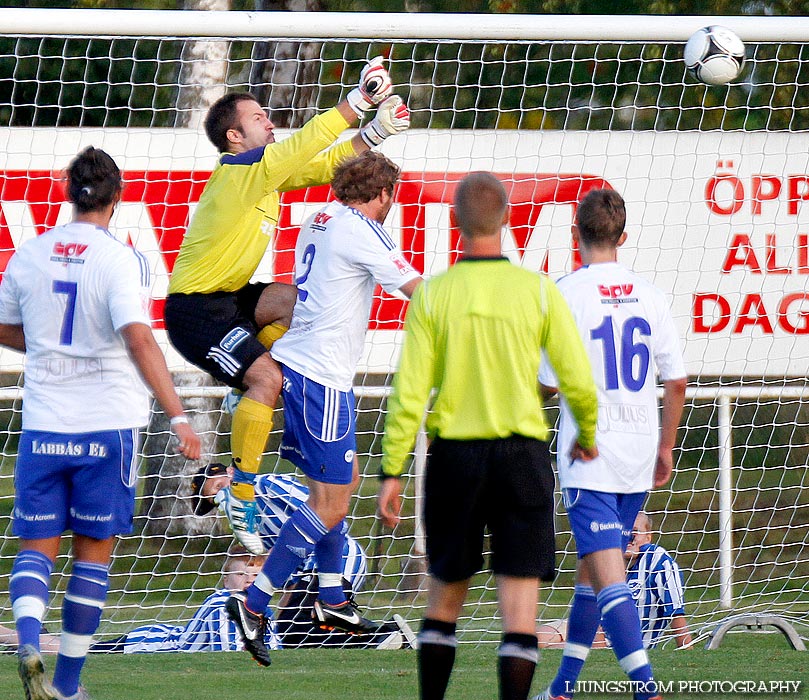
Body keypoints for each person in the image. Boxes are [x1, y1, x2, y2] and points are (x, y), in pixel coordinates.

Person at [163, 57, 410, 557]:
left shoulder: (263, 176)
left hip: (230, 298)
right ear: (234, 137)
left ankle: (243, 399)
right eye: (257, 118)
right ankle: (242, 493)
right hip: (195, 312)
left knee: (300, 303)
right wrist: (356, 104)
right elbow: (305, 147)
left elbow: (320, 167)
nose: (270, 121)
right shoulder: (240, 171)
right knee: (268, 379)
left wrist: (376, 131)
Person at [377, 171, 600, 700]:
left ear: (455, 223)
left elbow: (409, 393)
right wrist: (586, 431)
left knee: (443, 602)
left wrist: (392, 471)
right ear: (505, 218)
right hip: (521, 458)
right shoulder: (538, 290)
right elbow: (577, 378)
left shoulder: (434, 296)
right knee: (520, 616)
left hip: (455, 459)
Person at [0, 146, 201, 700]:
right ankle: (66, 687)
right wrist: (179, 414)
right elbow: (138, 337)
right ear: (117, 197)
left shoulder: (29, 255)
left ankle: (25, 639)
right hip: (107, 426)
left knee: (36, 548)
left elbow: (4, 327)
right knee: (93, 552)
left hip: (43, 424)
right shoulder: (121, 258)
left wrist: (42, 342)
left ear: (70, 193)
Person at [225, 150, 422, 667]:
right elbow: (415, 291)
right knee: (331, 503)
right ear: (383, 195)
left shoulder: (320, 218)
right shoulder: (362, 227)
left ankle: (332, 601)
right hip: (321, 380)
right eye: (391, 198)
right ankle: (255, 602)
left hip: (301, 366)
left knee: (338, 485)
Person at [534, 188, 687, 700]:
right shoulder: (650, 294)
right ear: (623, 237)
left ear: (575, 235)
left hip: (590, 452)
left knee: (609, 573)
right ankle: (561, 689)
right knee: (592, 571)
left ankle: (647, 690)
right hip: (640, 448)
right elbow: (676, 381)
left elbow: (548, 382)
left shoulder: (564, 292)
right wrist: (666, 446)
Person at [536, 512, 692, 650]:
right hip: (592, 627)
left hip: (613, 644)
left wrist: (687, 652)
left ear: (648, 537)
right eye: (624, 532)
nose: (630, 537)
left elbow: (676, 613)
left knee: (549, 651)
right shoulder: (609, 560)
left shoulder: (658, 561)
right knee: (535, 640)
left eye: (635, 532)